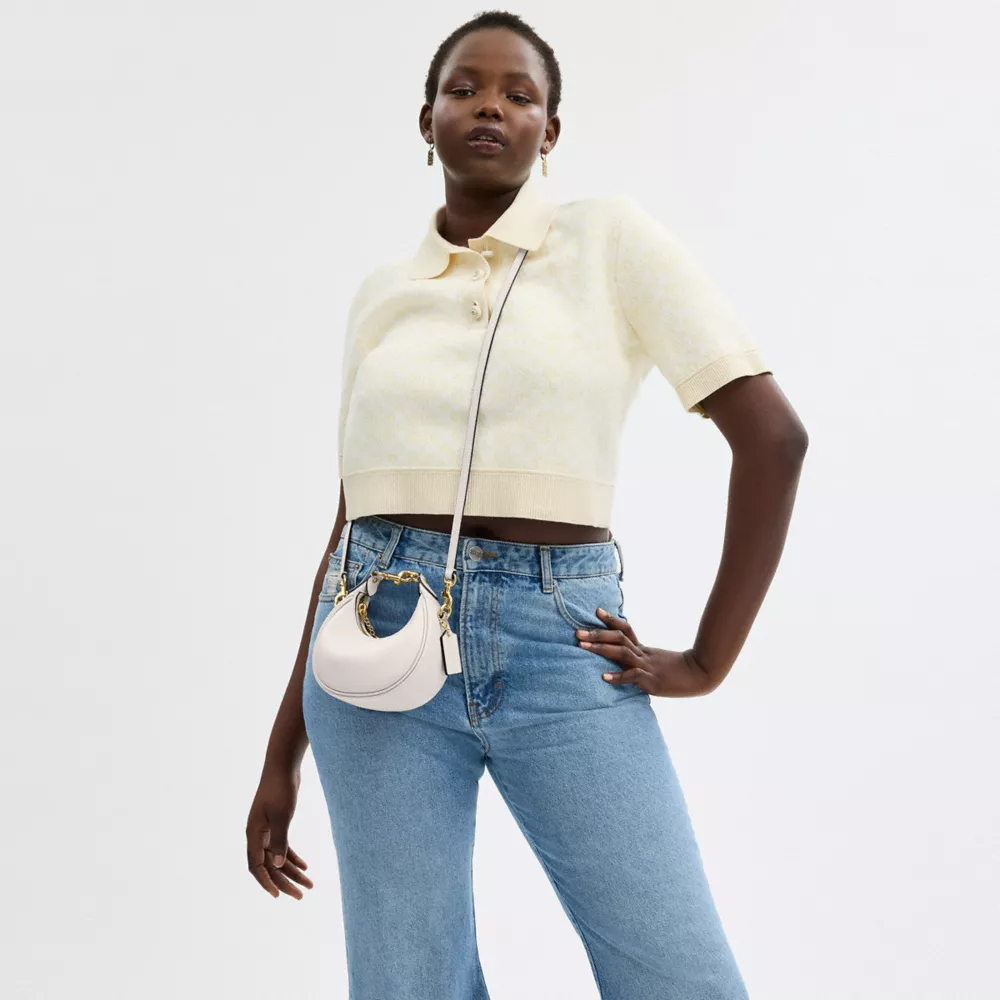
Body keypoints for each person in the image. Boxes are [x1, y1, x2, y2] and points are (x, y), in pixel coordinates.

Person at [245, 10, 807, 999]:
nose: (489, 107)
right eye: (463, 89)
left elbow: (774, 438)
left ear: (551, 130)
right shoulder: (382, 295)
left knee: (680, 976)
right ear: (425, 120)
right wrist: (280, 751)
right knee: (407, 985)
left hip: (562, 641)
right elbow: (349, 526)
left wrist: (706, 660)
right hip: (373, 654)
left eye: (518, 94)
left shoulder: (608, 241)